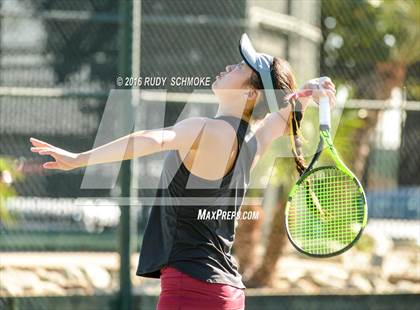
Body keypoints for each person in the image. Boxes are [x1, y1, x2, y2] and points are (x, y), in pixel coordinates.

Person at [30, 34, 336, 310]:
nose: (230, 65)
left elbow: (149, 139)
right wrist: (309, 93)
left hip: (191, 288)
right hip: (228, 292)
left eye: (241, 67)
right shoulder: (252, 142)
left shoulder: (208, 129)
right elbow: (284, 118)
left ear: (251, 95)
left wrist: (79, 158)